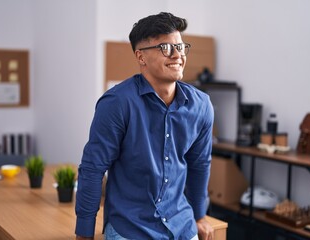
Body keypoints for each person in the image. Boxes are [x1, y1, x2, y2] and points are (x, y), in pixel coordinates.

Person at [75, 12, 215, 240]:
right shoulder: (117, 103)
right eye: (166, 48)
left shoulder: (201, 105)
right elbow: (93, 168)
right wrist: (84, 232)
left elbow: (199, 164)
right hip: (131, 227)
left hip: (182, 226)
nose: (178, 55)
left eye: (181, 47)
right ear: (141, 57)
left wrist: (200, 216)